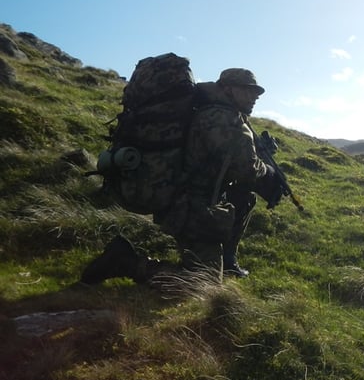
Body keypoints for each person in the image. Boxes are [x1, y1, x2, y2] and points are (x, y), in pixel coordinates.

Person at [81, 68, 282, 284]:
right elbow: (246, 169)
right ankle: (126, 262)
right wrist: (268, 174)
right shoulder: (222, 118)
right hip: (190, 205)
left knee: (244, 197)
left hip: (190, 195)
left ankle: (225, 259)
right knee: (202, 285)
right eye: (248, 91)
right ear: (227, 88)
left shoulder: (217, 111)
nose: (255, 97)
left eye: (257, 93)